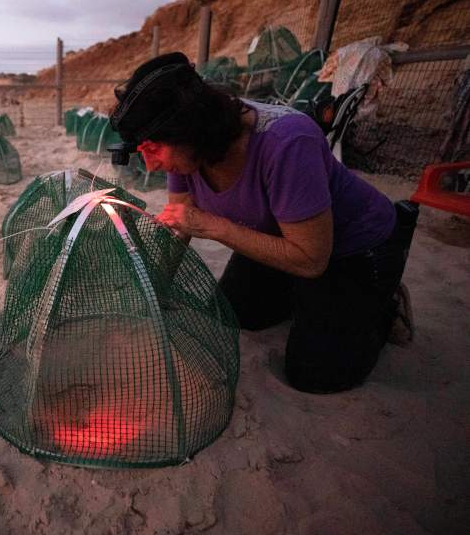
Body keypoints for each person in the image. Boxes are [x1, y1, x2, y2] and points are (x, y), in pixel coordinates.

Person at [108, 52, 417, 394]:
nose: (149, 166)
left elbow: (312, 259)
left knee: (315, 375)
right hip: (275, 236)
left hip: (352, 246)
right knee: (236, 314)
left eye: (153, 150)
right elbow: (179, 225)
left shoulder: (285, 142)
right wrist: (153, 288)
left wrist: (212, 225)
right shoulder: (187, 156)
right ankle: (306, 300)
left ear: (190, 130)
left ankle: (383, 303)